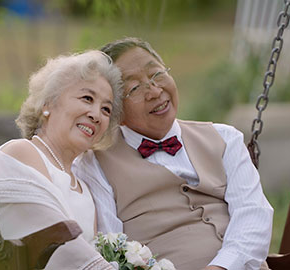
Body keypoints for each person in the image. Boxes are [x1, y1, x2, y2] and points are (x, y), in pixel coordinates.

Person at [73, 37, 274, 270]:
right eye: (134, 88)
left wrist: (223, 266)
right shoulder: (96, 163)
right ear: (115, 110)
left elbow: (253, 215)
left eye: (157, 74)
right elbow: (109, 249)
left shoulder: (226, 138)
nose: (155, 91)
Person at [0, 50, 123, 270]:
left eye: (106, 109)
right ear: (48, 104)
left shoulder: (84, 189)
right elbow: (57, 242)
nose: (96, 114)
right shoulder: (23, 153)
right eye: (87, 98)